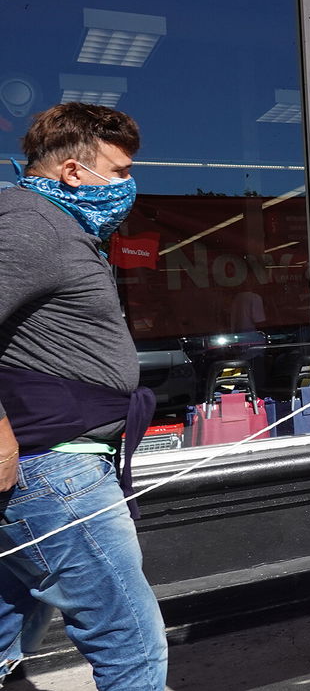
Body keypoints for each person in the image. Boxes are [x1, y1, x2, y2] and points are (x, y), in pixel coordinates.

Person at [0, 103, 166, 689]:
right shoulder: (31, 223)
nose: (128, 185)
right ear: (73, 172)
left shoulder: (52, 225)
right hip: (54, 470)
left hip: (56, 464)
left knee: (12, 616)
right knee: (132, 642)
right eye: (119, 172)